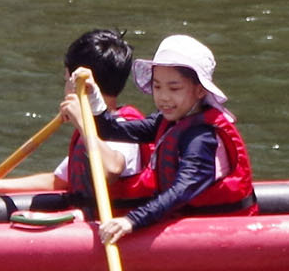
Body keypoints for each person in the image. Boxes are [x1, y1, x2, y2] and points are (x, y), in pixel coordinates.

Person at [87, 34, 257, 243]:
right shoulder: (168, 121)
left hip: (219, 236)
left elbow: (181, 190)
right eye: (157, 87)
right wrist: (93, 96)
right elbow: (109, 130)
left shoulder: (202, 138)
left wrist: (131, 221)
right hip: (184, 225)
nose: (163, 97)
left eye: (174, 88)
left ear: (200, 90)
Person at [0, 28, 142, 210]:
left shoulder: (122, 128)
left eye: (66, 80)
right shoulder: (93, 129)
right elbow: (59, 181)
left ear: (81, 85)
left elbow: (111, 169)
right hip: (81, 215)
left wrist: (82, 123)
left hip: (110, 225)